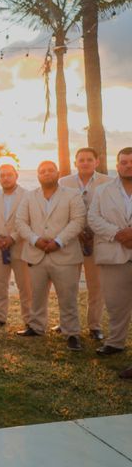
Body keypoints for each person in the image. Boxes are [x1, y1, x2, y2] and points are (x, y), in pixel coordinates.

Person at [15, 161, 85, 351]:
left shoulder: (72, 195)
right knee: (37, 295)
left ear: (58, 173)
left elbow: (78, 221)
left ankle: (72, 333)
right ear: (38, 175)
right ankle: (36, 327)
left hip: (65, 254)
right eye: (42, 171)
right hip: (36, 254)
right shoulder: (29, 196)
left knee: (68, 297)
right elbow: (20, 222)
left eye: (50, 170)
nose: (47, 174)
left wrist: (59, 241)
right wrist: (35, 240)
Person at [88, 147, 132, 378]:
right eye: (124, 162)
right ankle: (115, 342)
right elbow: (93, 218)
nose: (128, 166)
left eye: (131, 162)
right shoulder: (103, 190)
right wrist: (118, 233)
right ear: (117, 165)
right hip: (113, 253)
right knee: (116, 303)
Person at [58, 148, 111, 340]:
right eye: (81, 160)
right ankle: (67, 323)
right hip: (72, 241)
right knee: (67, 285)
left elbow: (109, 211)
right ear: (75, 162)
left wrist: (93, 232)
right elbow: (60, 211)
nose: (85, 162)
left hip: (96, 241)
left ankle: (94, 325)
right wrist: (77, 231)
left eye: (89, 159)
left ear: (97, 162)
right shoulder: (64, 182)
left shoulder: (107, 182)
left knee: (96, 286)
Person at [0, 164, 32, 328]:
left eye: (9, 175)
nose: (5, 178)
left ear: (16, 175)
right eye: (2, 175)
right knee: (0, 285)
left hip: (20, 247)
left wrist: (13, 238)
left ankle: (29, 319)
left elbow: (28, 220)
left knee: (25, 286)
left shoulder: (27, 195)